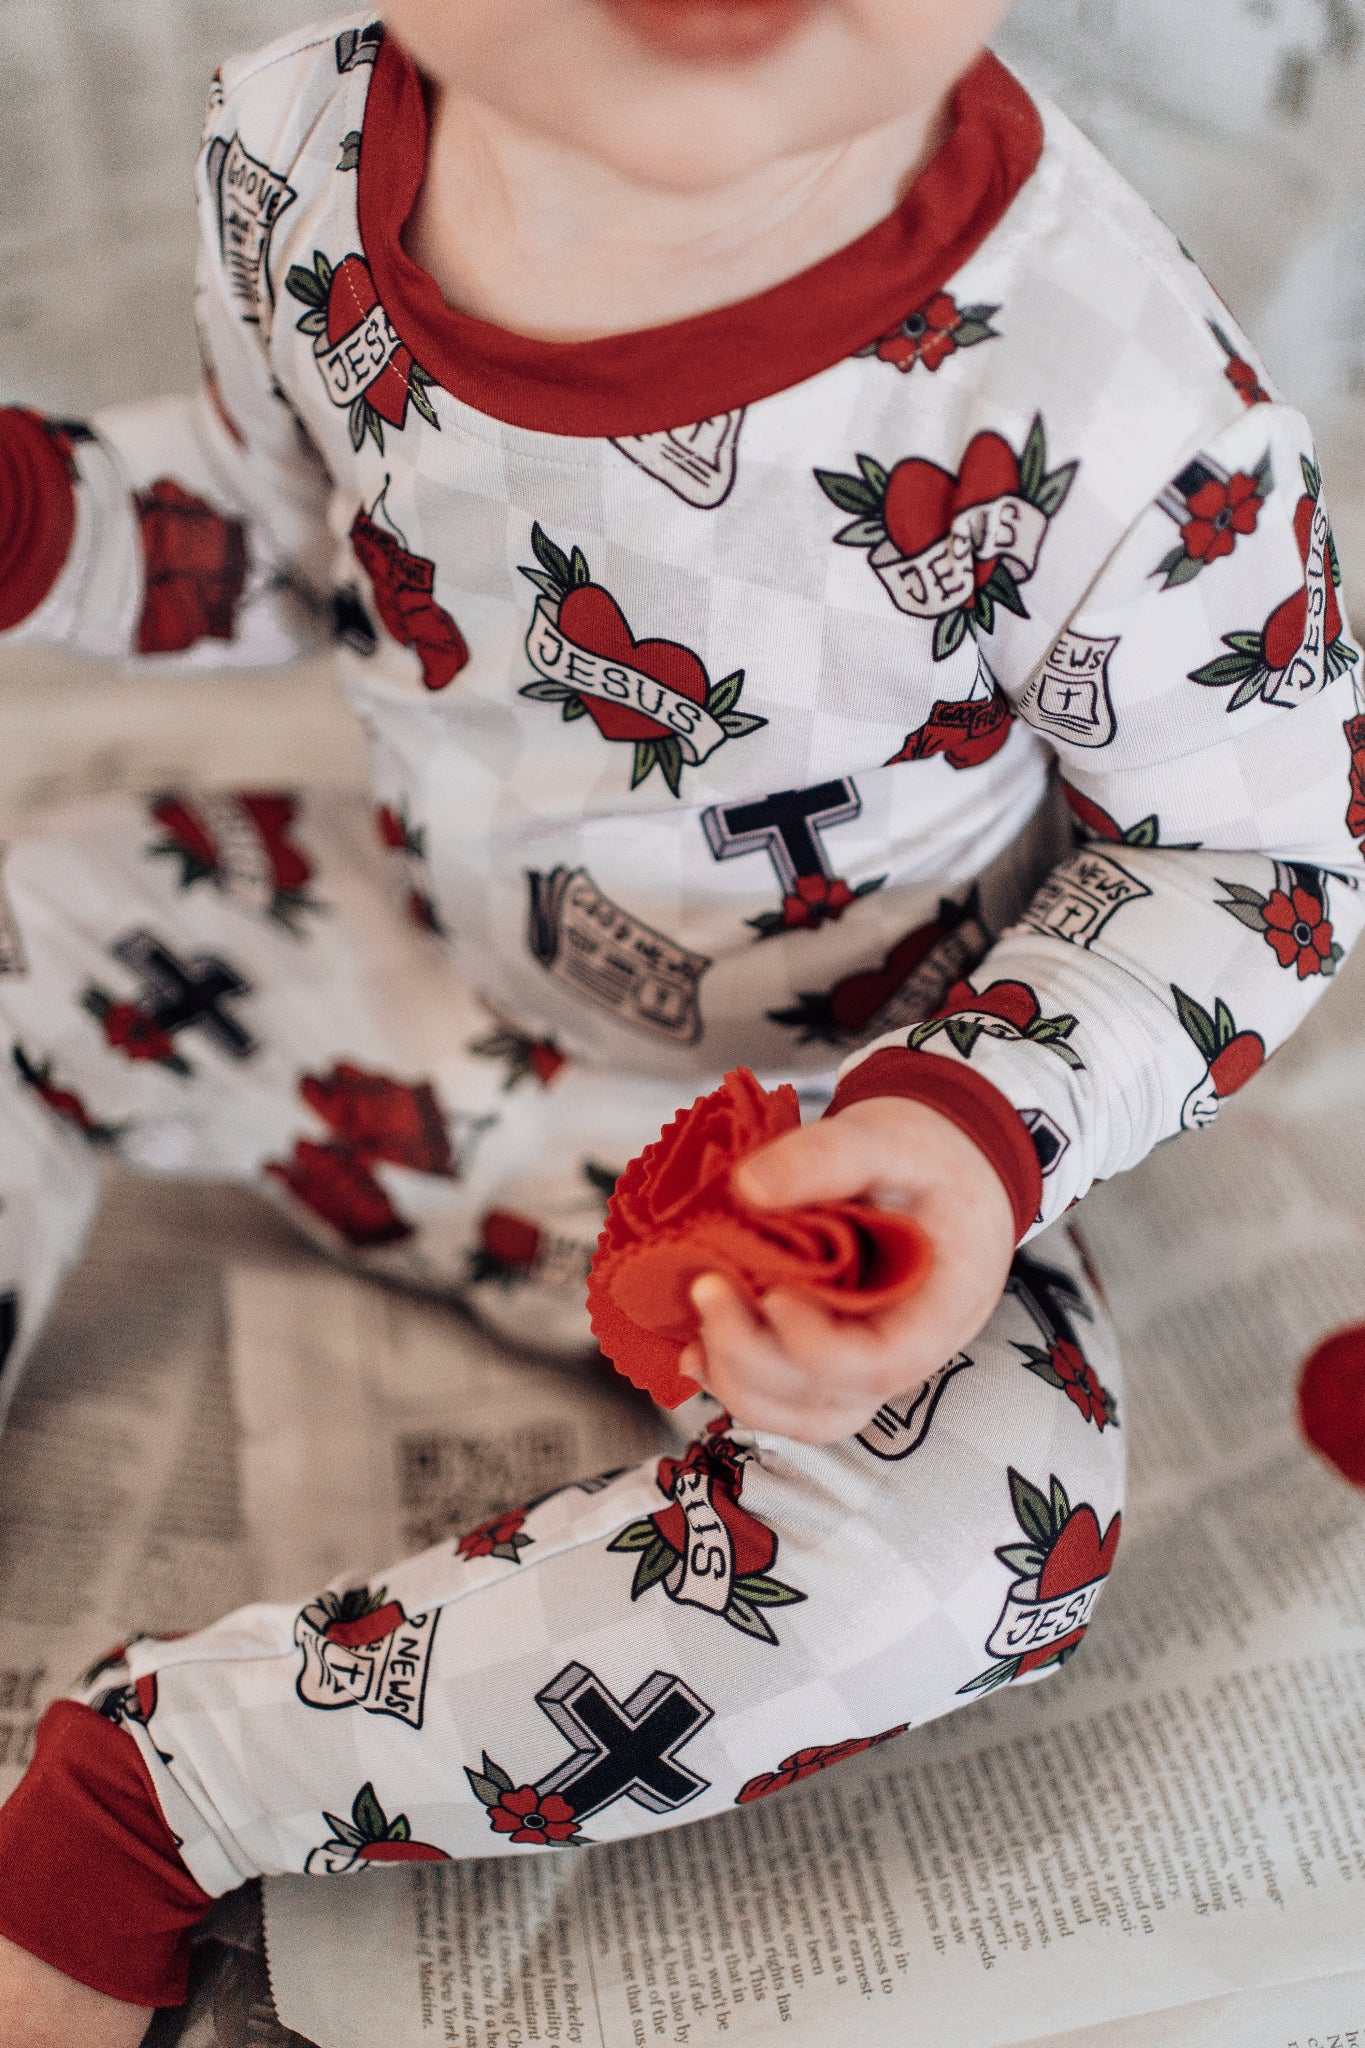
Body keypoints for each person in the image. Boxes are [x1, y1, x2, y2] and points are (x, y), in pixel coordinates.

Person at [0, 0, 1360, 2038]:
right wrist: (45, 517)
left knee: (981, 1540)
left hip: (827, 1179)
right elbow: (277, 534)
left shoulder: (1100, 373)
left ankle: (157, 1790)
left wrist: (967, 1129)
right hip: (409, 1013)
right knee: (35, 915)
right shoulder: (294, 144)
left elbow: (1255, 854)